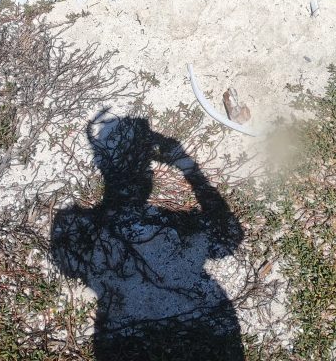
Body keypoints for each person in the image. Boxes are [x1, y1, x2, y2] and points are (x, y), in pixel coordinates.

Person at [51, 112, 244, 360]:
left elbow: (70, 263)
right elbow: (229, 239)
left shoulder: (75, 223)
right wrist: (188, 167)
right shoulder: (175, 226)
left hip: (121, 340)